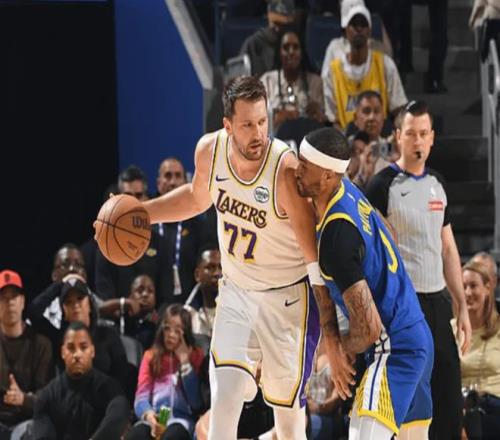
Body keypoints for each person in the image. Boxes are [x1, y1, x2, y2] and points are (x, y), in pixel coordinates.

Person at [137, 75, 322, 439]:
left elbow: (312, 255)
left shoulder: (284, 170)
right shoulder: (210, 151)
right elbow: (195, 198)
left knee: (289, 425)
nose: (258, 134)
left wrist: (329, 325)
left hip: (286, 299)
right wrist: (143, 213)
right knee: (225, 398)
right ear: (227, 125)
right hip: (237, 292)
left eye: (263, 121)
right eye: (247, 125)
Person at [295, 126, 434, 438]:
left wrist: (335, 348)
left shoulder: (336, 237)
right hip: (417, 334)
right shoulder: (348, 189)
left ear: (328, 175)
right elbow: (391, 236)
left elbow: (369, 330)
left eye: (305, 165)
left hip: (394, 348)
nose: (297, 171)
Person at [365, 100, 472, 439]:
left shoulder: (437, 183)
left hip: (439, 302)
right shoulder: (381, 185)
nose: (418, 141)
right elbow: (369, 254)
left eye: (424, 134)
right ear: (398, 136)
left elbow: (448, 248)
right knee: (411, 402)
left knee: (449, 399)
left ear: (432, 138)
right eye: (411, 133)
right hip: (404, 307)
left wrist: (461, 305)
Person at [27, 275, 132, 396]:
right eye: (68, 302)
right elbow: (33, 311)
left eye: (80, 298)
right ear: (63, 311)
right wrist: (60, 284)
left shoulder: (108, 335)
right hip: (70, 402)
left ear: (90, 305)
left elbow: (122, 378)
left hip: (106, 400)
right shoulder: (59, 339)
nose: (75, 305)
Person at [31, 321, 130, 440]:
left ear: (92, 351)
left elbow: (119, 417)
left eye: (83, 347)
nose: (77, 354)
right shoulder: (47, 397)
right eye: (71, 348)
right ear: (62, 352)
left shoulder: (111, 389)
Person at [322, 1, 407, 129]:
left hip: (381, 136)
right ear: (345, 30)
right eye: (354, 24)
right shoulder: (333, 71)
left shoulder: (385, 64)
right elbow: (333, 119)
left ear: (370, 30)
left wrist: (397, 133)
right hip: (345, 136)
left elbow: (399, 109)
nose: (359, 29)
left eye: (363, 24)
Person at [125, 304, 205, 440]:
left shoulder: (196, 356)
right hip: (154, 418)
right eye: (167, 328)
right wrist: (149, 415)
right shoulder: (151, 356)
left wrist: (185, 362)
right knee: (136, 435)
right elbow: (141, 398)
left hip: (181, 420)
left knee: (173, 436)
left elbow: (196, 403)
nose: (170, 335)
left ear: (185, 333)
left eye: (177, 330)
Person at [95, 166, 162, 302]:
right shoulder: (106, 243)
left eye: (138, 195)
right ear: (117, 197)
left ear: (146, 197)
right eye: (128, 196)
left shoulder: (159, 242)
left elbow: (166, 294)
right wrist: (124, 306)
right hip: (120, 314)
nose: (133, 202)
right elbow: (104, 296)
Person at [0, 270, 53, 440]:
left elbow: (46, 400)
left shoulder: (41, 345)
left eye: (14, 297)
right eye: (3, 298)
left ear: (22, 301)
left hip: (27, 421)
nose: (10, 303)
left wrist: (23, 399)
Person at [154, 157, 211, 305]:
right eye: (168, 176)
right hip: (153, 311)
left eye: (178, 176)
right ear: (158, 183)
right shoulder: (147, 226)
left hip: (191, 307)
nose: (173, 182)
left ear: (186, 183)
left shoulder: (199, 226)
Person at [454, 260, 500, 438]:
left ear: (488, 288)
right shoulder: (450, 329)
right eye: (463, 286)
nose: (467, 293)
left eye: (473, 286)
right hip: (462, 410)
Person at [260, 29, 325, 133]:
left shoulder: (315, 82)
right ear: (279, 53)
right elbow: (257, 122)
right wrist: (276, 118)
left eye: (295, 47)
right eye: (286, 48)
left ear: (302, 52)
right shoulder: (267, 81)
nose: (291, 52)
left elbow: (324, 122)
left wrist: (318, 116)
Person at [99, 274, 159, 350]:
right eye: (140, 291)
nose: (145, 295)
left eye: (150, 291)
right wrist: (124, 302)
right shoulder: (123, 315)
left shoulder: (158, 322)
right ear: (131, 296)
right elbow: (100, 309)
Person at [239, 0, 295, 77]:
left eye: (283, 25)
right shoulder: (253, 44)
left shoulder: (294, 44)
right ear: (268, 17)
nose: (278, 29)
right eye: (275, 23)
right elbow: (240, 79)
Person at [184, 247, 221, 340]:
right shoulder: (187, 314)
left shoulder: (237, 309)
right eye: (210, 267)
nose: (217, 273)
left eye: (221, 267)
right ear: (197, 274)